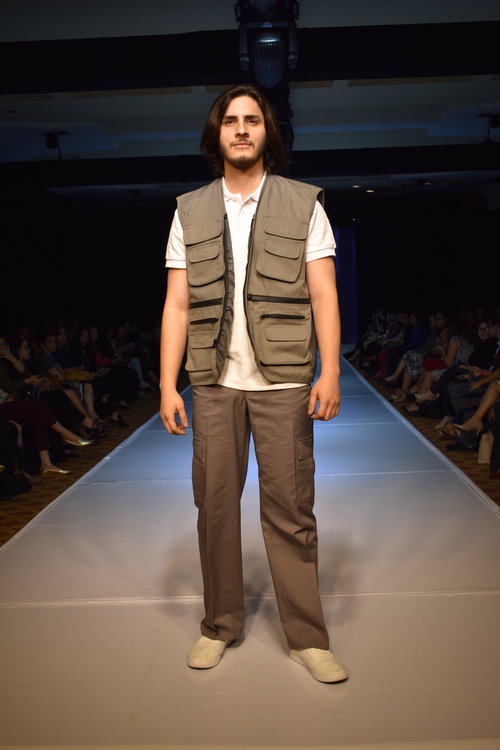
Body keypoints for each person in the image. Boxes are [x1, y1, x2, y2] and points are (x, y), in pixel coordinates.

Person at [160, 84, 347, 684]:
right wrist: (167, 385)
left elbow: (324, 294)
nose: (241, 129)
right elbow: (177, 305)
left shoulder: (303, 203)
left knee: (291, 510)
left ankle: (308, 637)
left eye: (253, 120)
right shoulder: (189, 210)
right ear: (216, 133)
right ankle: (219, 625)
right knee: (214, 509)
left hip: (284, 382)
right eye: (231, 121)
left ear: (269, 131)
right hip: (213, 384)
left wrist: (331, 371)